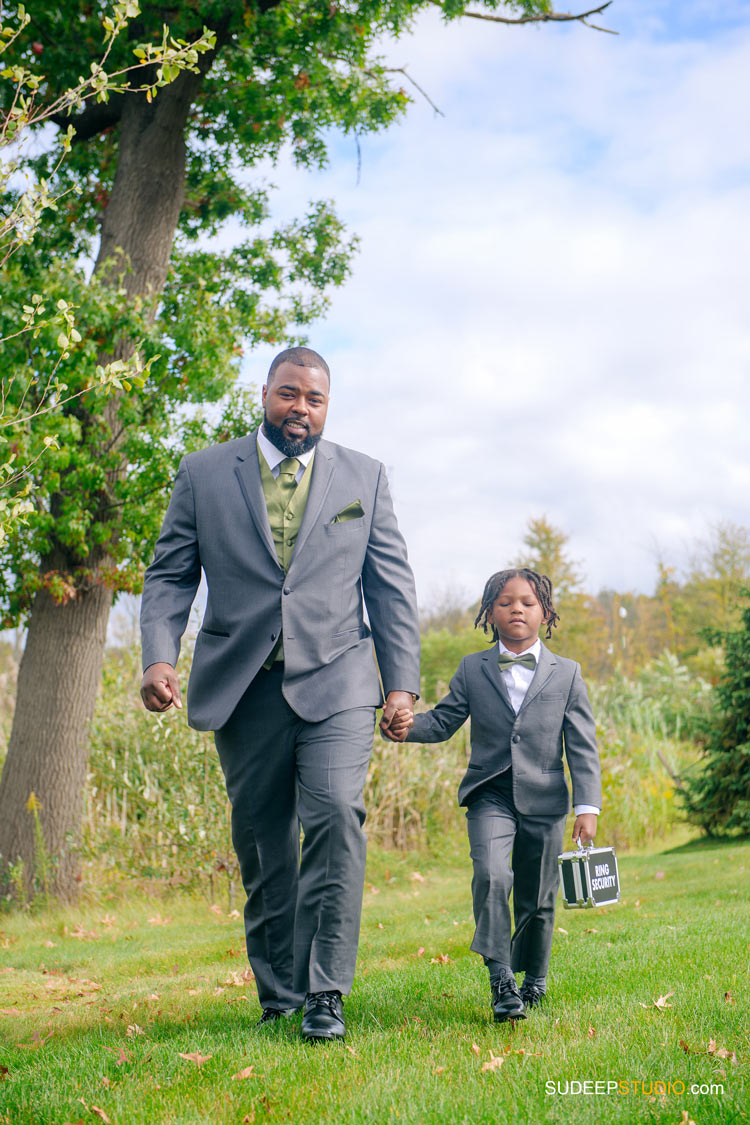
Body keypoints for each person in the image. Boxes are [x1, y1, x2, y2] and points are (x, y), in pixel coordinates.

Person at [140, 346, 420, 1042]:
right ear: (265, 392)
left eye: (315, 398)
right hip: (244, 688)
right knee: (265, 845)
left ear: (328, 405)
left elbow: (390, 588)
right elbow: (171, 575)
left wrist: (402, 682)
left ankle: (326, 992)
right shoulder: (205, 473)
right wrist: (157, 656)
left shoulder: (365, 476)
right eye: (289, 393)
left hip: (340, 681)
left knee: (333, 818)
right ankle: (279, 994)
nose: (301, 408)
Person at [386, 568, 601, 1022]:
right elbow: (442, 722)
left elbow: (582, 745)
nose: (516, 609)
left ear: (544, 612)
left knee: (539, 897)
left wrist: (587, 806)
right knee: (491, 875)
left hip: (545, 798)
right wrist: (406, 727)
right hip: (491, 794)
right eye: (505, 603)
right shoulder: (472, 668)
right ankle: (501, 977)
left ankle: (535, 979)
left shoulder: (568, 674)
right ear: (489, 613)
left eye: (526, 602)